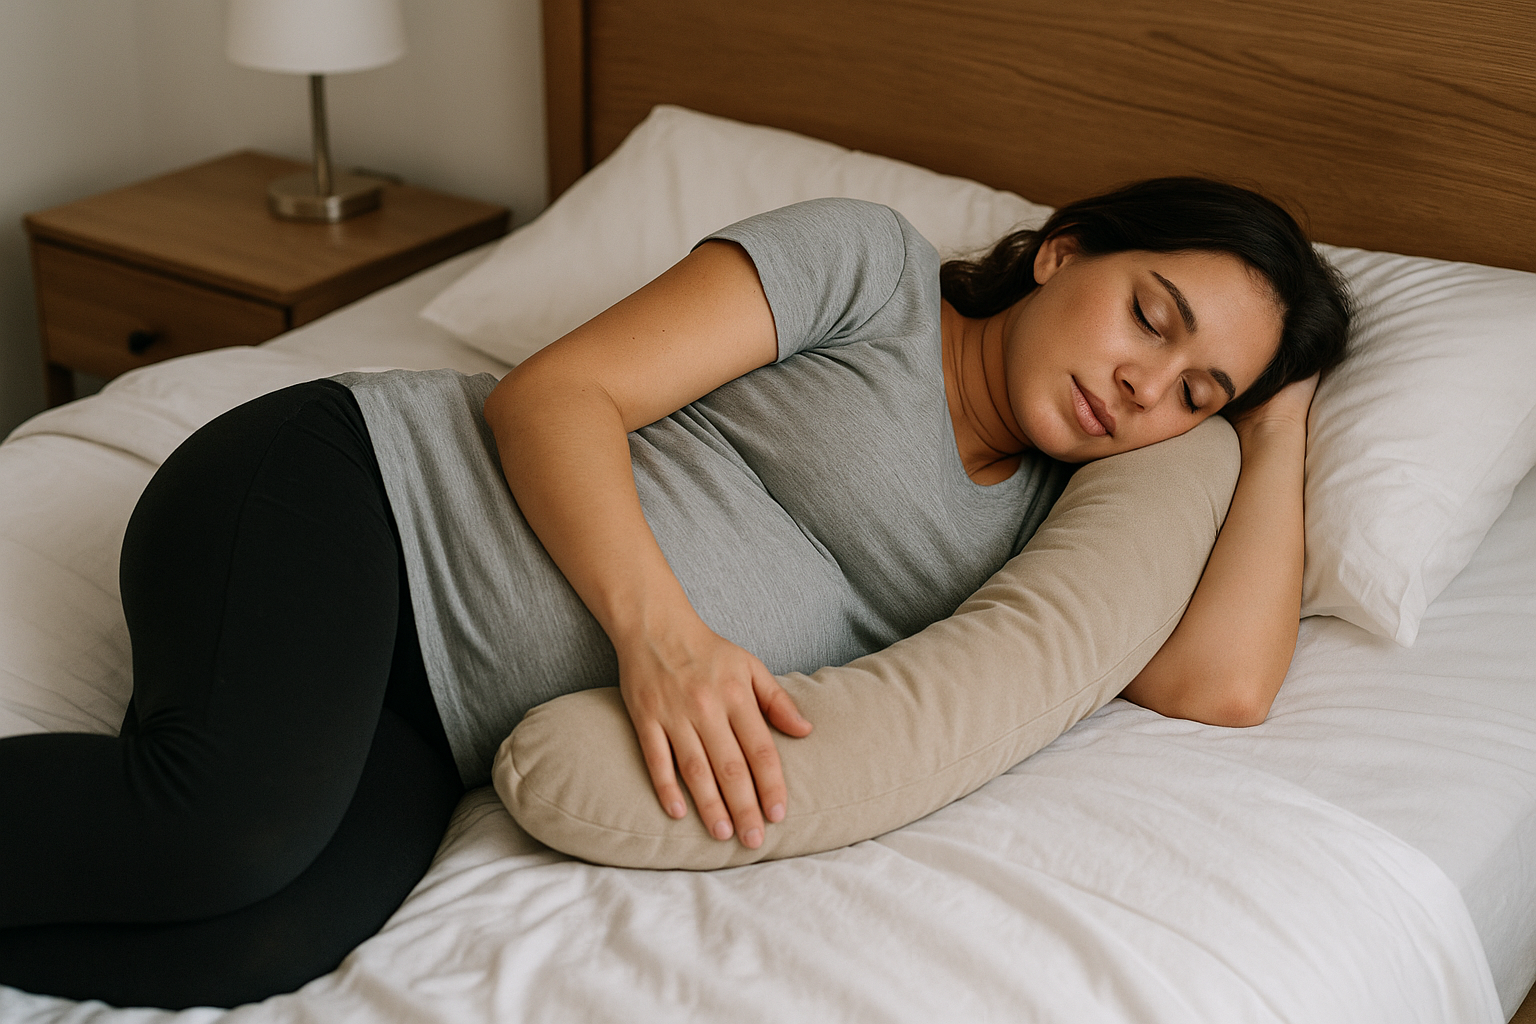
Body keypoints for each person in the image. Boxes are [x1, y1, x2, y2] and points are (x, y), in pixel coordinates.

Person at [0, 177, 1349, 1009]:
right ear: (1062, 252)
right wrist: (665, 639)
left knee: (256, 947)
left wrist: (1279, 421)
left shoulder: (1062, 519)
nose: (1144, 386)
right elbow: (555, 393)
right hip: (353, 495)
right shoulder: (870, 268)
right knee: (219, 832)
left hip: (438, 703)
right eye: (1149, 316)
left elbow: (1216, 682)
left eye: (1196, 391)